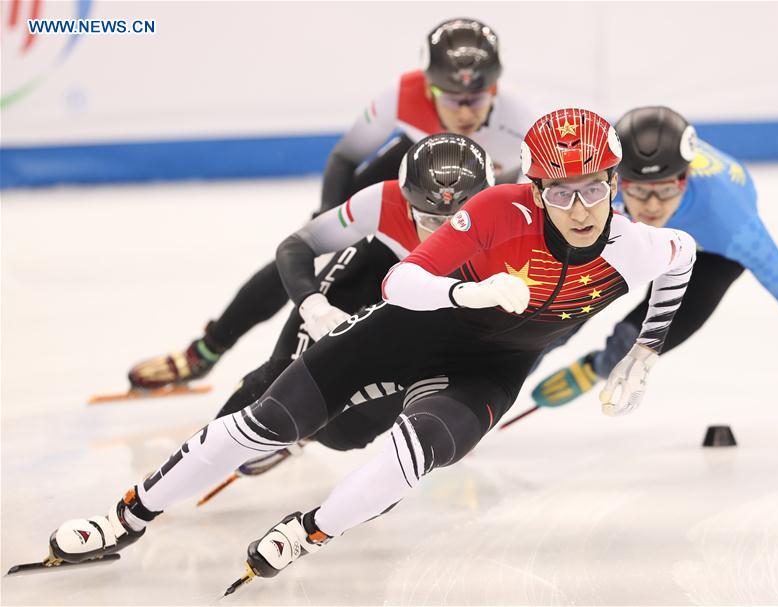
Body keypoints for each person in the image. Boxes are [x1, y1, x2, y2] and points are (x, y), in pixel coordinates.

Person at [46, 109, 697, 586]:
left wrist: (646, 346)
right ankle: (125, 516)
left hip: (489, 370)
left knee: (416, 451)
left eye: (594, 188)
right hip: (410, 328)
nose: (580, 208)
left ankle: (310, 529)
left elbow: (683, 257)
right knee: (264, 420)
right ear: (535, 189)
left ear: (613, 182)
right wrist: (461, 297)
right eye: (561, 191)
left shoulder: (636, 244)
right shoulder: (500, 210)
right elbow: (402, 278)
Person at [127, 18, 535, 391]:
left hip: (470, 203)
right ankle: (206, 351)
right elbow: (345, 158)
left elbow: (517, 207)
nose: (464, 110)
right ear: (428, 86)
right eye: (449, 97)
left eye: (477, 97)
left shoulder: (521, 124)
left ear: (495, 88)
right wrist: (327, 215)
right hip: (408, 173)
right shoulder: (403, 93)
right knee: (303, 257)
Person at [531, 106, 778, 461]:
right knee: (552, 317)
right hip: (629, 229)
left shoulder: (731, 220)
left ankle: (594, 366)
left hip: (710, 252)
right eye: (639, 191)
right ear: (615, 181)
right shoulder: (598, 183)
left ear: (685, 180)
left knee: (629, 348)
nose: (653, 206)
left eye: (665, 189)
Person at [214, 132, 494, 476]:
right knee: (281, 376)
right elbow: (297, 246)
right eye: (430, 220)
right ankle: (203, 453)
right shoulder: (382, 201)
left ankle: (307, 434)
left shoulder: (508, 227)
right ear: (407, 203)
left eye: (457, 222)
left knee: (346, 434)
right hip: (368, 279)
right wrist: (314, 306)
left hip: (424, 317)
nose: (442, 235)